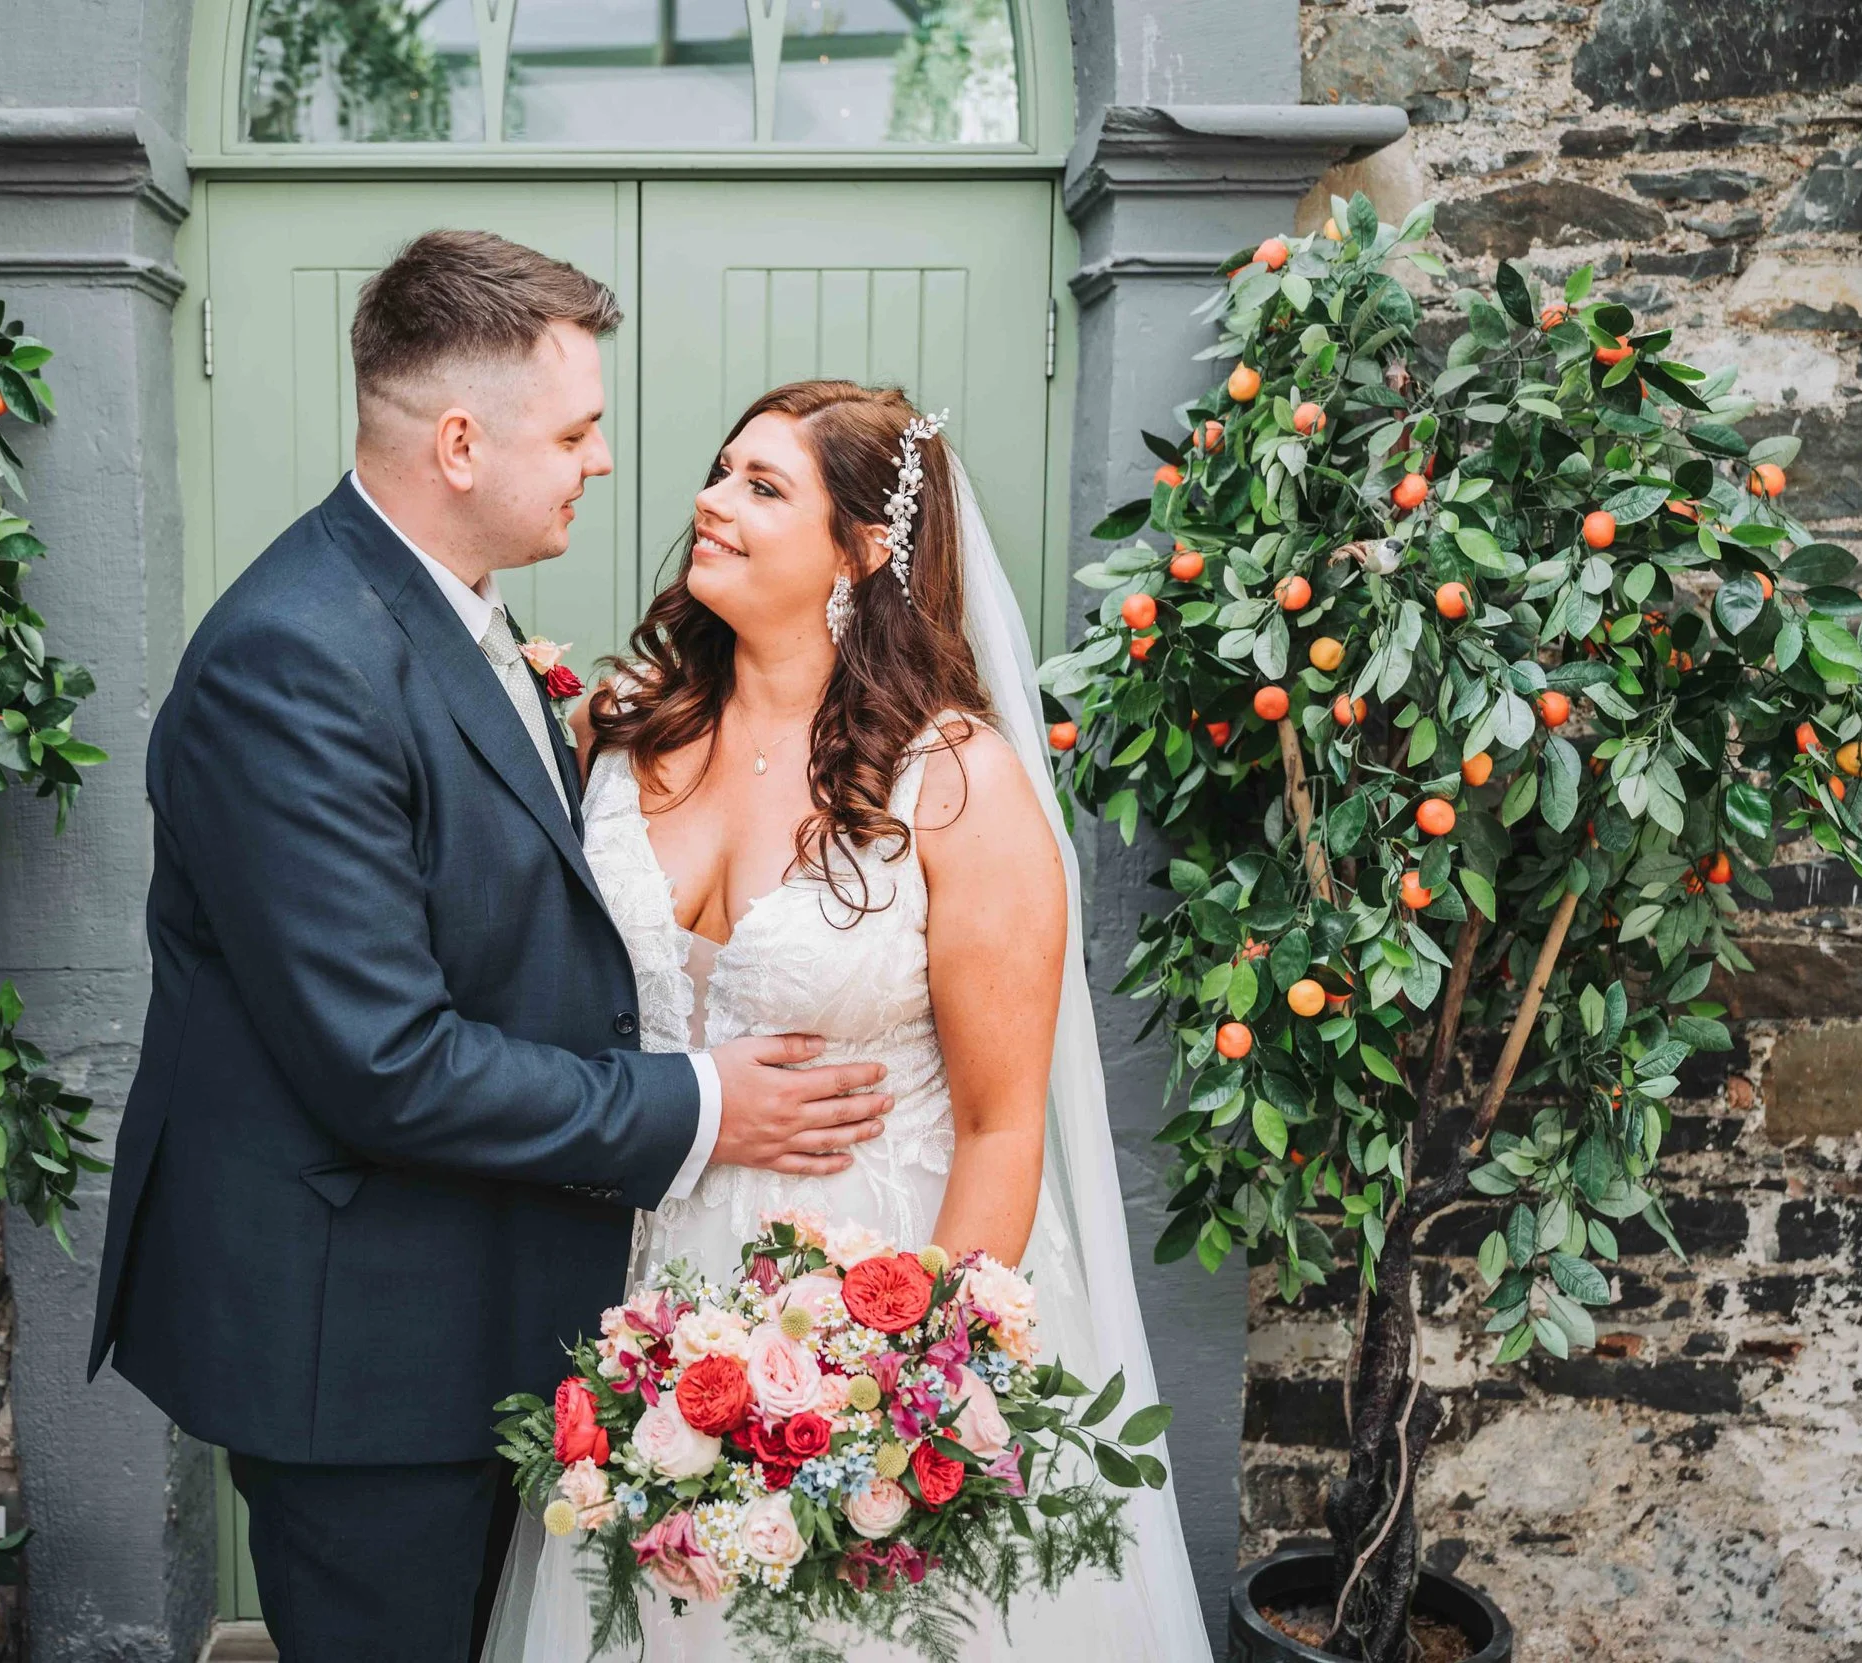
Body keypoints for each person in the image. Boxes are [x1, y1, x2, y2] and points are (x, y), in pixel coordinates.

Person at [84, 231, 900, 1663]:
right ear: (461, 441)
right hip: (362, 1351)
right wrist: (706, 1098)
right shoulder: (294, 660)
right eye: (578, 431)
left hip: (480, 1300)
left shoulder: (442, 608)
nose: (603, 462)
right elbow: (385, 1061)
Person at [483, 381, 1215, 1660]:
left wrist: (904, 1396)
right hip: (647, 1302)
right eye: (720, 472)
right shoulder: (626, 735)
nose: (708, 501)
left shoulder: (958, 784)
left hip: (876, 1301)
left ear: (863, 550)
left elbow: (998, 1125)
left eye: (762, 487)